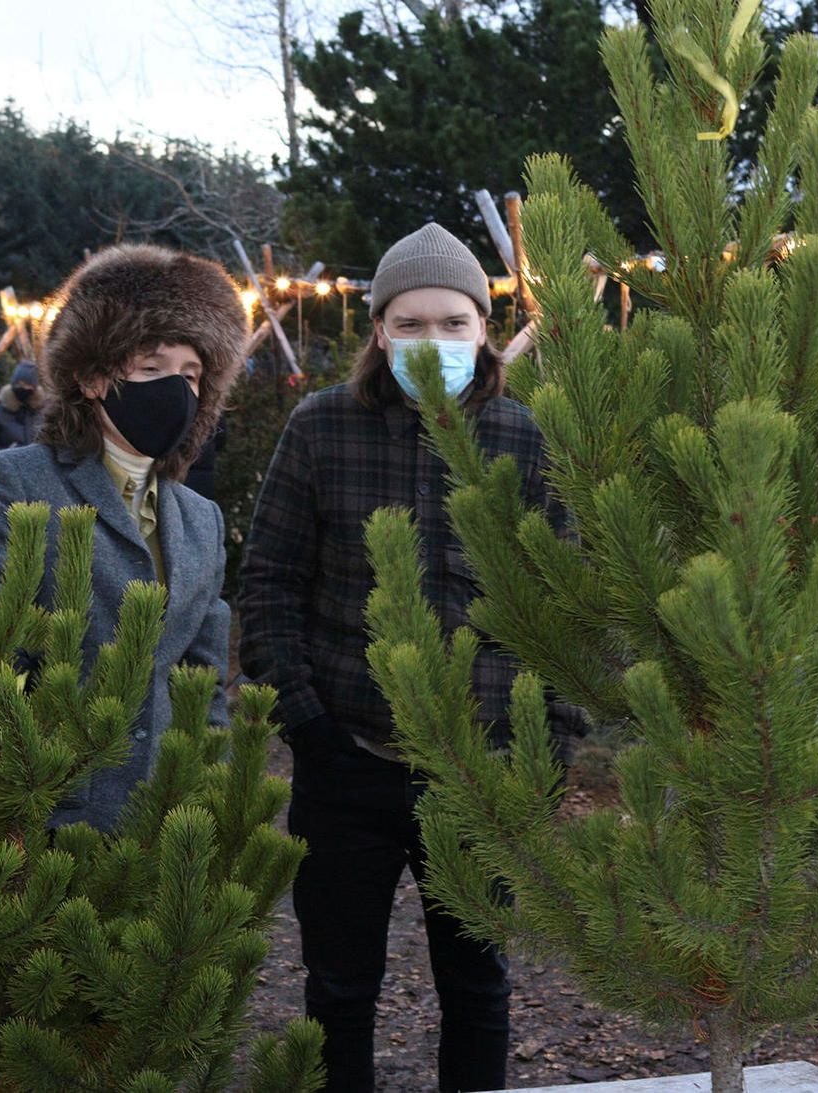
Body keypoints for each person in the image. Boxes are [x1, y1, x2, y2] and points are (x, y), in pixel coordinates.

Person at [239, 223, 579, 1093]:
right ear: (380, 331)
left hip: (478, 769)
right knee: (339, 984)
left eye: (454, 323)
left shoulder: (520, 438)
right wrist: (307, 723)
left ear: (484, 329)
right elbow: (271, 579)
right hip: (347, 760)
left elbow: (567, 603)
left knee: (477, 983)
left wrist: (548, 745)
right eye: (413, 323)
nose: (435, 341)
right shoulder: (321, 429)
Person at [0, 243, 246, 832]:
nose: (176, 391)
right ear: (91, 377)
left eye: (191, 375)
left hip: (158, 827)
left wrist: (206, 790)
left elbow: (203, 680)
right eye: (151, 369)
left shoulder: (199, 519)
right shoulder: (12, 481)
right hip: (40, 820)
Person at [0, 358, 43, 450]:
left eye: (27, 385)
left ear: (34, 387)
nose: (23, 388)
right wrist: (0, 455)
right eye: (19, 384)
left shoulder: (43, 412)